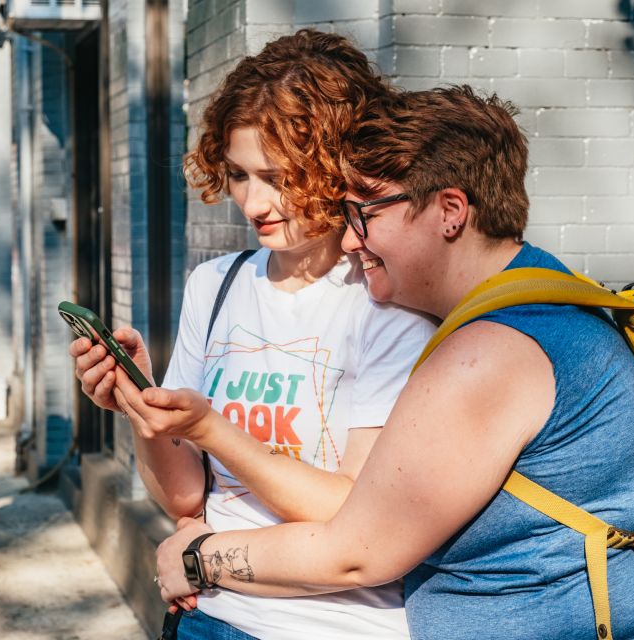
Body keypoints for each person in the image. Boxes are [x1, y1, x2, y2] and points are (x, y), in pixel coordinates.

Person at [143, 87, 634, 639]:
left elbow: (356, 554)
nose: (349, 242)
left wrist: (197, 559)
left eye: (363, 213)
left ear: (450, 212)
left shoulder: (490, 354)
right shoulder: (545, 294)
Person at [71, 29, 434, 640]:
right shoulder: (216, 284)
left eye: (279, 176)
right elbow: (186, 499)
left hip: (336, 626)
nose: (253, 203)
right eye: (239, 175)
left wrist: (210, 427)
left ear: (334, 165)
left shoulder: (384, 299)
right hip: (211, 611)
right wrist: (142, 405)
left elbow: (354, 513)